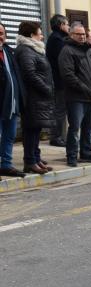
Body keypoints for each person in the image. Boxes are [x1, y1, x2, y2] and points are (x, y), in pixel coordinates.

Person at [59, 23, 91, 167]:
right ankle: (71, 156)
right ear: (71, 35)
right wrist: (85, 89)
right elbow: (68, 75)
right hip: (76, 98)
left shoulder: (89, 51)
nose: (82, 36)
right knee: (74, 128)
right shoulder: (67, 51)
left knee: (89, 128)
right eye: (79, 34)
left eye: (84, 34)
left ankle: (86, 153)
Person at [15, 21, 55, 174]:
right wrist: (46, 88)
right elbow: (29, 74)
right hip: (32, 98)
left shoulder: (33, 49)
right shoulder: (25, 50)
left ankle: (36, 158)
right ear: (32, 35)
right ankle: (30, 162)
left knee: (36, 129)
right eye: (40, 33)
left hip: (38, 97)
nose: (42, 35)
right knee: (31, 130)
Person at [0, 22, 26, 179]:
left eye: (1, 33)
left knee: (9, 135)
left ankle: (6, 165)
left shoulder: (9, 52)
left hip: (11, 102)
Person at [45, 14, 69, 147]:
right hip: (59, 81)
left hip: (59, 80)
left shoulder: (58, 38)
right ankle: (56, 137)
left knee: (60, 109)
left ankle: (59, 136)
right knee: (59, 110)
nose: (68, 26)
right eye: (66, 24)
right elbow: (64, 60)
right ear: (61, 25)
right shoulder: (57, 39)